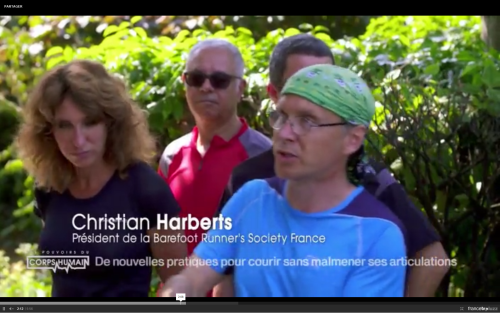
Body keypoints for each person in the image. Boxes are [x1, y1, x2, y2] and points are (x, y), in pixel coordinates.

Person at [215, 34, 449, 297]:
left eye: (326, 86)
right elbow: (224, 276)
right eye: (301, 84)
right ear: (274, 94)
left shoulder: (367, 176)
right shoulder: (247, 181)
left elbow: (432, 258)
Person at [160, 64, 408, 297]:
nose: (285, 133)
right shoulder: (251, 197)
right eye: (282, 116)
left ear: (353, 139)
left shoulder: (378, 237)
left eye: (307, 121)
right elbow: (194, 276)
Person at [15, 60, 187, 297]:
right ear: (48, 131)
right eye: (64, 125)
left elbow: (181, 288)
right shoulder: (49, 187)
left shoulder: (146, 189)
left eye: (90, 122)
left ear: (111, 124)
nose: (78, 140)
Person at [157, 39, 271, 296]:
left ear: (240, 88)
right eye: (196, 78)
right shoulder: (171, 156)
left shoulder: (265, 159)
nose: (206, 87)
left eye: (219, 80)